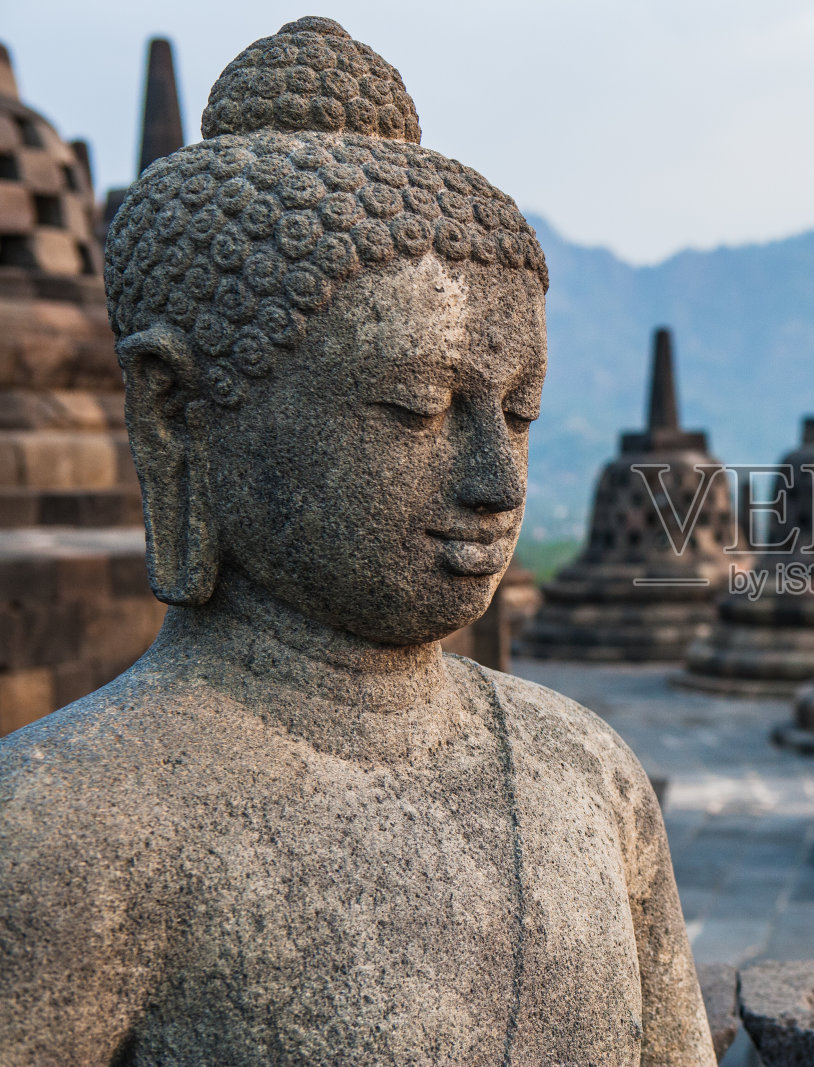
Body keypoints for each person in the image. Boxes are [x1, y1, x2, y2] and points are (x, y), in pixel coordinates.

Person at [0, 17, 716, 1065]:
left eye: (517, 412)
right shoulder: (64, 828)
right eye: (415, 406)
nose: (494, 480)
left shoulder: (591, 775)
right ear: (176, 411)